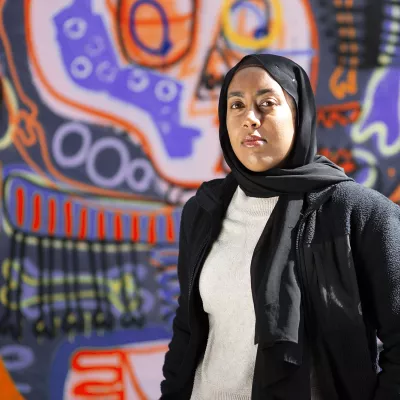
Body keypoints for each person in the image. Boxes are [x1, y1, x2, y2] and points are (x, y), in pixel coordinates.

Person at [160, 54, 400, 400]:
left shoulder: (356, 213)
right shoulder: (204, 211)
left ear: (298, 115)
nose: (249, 119)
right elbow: (187, 330)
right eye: (236, 105)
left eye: (266, 104)